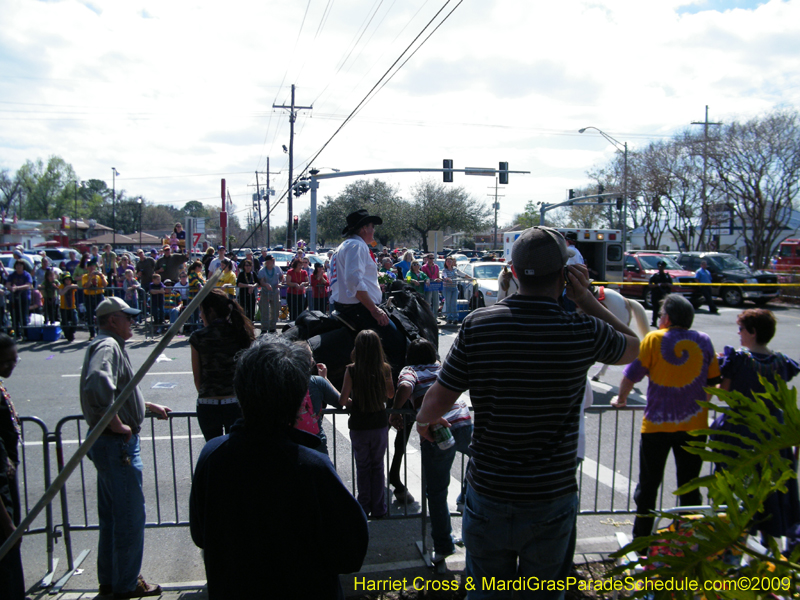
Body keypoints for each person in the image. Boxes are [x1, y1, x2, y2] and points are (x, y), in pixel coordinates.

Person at [416, 226, 639, 598]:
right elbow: (634, 348)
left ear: (513, 272)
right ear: (566, 274)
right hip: (550, 498)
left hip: (489, 493)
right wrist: (585, 299)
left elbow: (438, 400)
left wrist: (425, 420)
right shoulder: (583, 329)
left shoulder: (478, 326)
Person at [190, 336, 368, 599]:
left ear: (239, 392)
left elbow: (200, 535)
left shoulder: (213, 456)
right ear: (298, 400)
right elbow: (351, 552)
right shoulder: (314, 466)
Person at [80, 297, 171, 599]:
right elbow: (97, 383)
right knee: (130, 518)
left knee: (113, 517)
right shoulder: (107, 345)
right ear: (111, 320)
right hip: (116, 445)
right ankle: (127, 583)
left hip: (107, 443)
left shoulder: (109, 344)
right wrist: (118, 424)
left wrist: (145, 406)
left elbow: (118, 391)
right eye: (127, 317)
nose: (132, 322)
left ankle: (111, 580)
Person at [611, 293, 720, 539]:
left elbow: (632, 375)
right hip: (694, 427)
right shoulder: (704, 340)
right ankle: (687, 539)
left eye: (660, 315)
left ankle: (641, 540)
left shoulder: (654, 339)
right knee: (690, 485)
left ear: (667, 318)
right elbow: (714, 380)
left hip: (656, 427)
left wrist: (621, 398)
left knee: (649, 486)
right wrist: (701, 404)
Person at [710, 309, 800, 541]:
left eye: (741, 329)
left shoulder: (739, 359)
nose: (738, 333)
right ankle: (768, 549)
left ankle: (735, 547)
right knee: (769, 488)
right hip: (772, 432)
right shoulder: (781, 362)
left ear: (752, 332)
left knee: (736, 488)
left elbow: (724, 395)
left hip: (739, 430)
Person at [394, 338, 472, 562]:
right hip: (463, 423)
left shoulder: (410, 370)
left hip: (436, 430)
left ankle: (443, 546)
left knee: (437, 493)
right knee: (480, 464)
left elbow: (406, 386)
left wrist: (395, 411)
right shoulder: (441, 366)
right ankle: (466, 498)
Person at [330, 209, 407, 373]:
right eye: (372, 226)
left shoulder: (343, 246)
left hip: (343, 307)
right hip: (359, 310)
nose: (374, 231)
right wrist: (374, 309)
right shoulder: (357, 245)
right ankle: (392, 387)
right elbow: (353, 281)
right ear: (364, 228)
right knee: (398, 343)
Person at [339, 330, 395, 519]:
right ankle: (379, 507)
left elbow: (342, 399)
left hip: (359, 424)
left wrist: (354, 403)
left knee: (362, 467)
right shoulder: (385, 368)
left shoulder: (352, 369)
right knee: (378, 466)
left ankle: (363, 506)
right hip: (379, 423)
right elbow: (390, 395)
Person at [190, 289, 255, 441]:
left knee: (214, 450)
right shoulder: (241, 332)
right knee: (237, 453)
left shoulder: (198, 337)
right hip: (235, 401)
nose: (200, 316)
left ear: (210, 311)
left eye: (201, 311)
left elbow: (197, 378)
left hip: (208, 402)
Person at [0, 334, 24, 599]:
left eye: (14, 359)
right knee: (7, 542)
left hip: (7, 472)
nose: (11, 365)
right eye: (5, 361)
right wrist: (7, 523)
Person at [294, 344, 341, 456]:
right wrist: (325, 379)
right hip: (316, 439)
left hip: (293, 439)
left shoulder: (284, 382)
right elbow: (340, 402)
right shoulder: (317, 382)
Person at [6, 261, 32, 340]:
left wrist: (17, 288)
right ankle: (17, 334)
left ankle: (25, 334)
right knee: (14, 317)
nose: (18, 267)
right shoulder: (12, 275)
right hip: (14, 298)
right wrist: (11, 288)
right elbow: (7, 285)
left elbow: (28, 285)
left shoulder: (27, 275)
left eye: (20, 265)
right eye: (17, 265)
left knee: (24, 317)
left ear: (23, 266)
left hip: (24, 298)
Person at [257, 254, 283, 333]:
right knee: (265, 311)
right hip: (265, 293)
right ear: (267, 262)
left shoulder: (277, 268)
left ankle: (273, 327)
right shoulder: (262, 270)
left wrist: (281, 283)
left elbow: (282, 277)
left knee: (275, 311)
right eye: (271, 260)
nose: (273, 262)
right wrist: (265, 284)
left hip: (275, 292)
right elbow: (261, 281)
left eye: (273, 260)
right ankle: (264, 328)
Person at [441, 257, 471, 325]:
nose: (449, 262)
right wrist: (448, 279)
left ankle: (455, 318)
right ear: (445, 262)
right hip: (447, 288)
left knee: (454, 304)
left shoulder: (455, 269)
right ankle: (449, 318)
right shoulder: (444, 270)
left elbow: (462, 274)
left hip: (454, 288)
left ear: (452, 262)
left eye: (450, 261)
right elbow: (444, 276)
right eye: (447, 261)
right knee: (448, 303)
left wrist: (470, 278)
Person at [648, 260, 672, 327]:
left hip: (664, 295)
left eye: (662, 267)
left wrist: (667, 284)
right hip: (656, 294)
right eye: (660, 267)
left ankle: (665, 323)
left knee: (665, 310)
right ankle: (654, 322)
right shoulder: (655, 276)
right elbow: (650, 285)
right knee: (655, 309)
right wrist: (658, 285)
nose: (661, 268)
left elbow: (671, 285)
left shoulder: (667, 276)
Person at [59, 274, 78, 342]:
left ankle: (72, 333)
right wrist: (67, 288)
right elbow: (61, 293)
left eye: (69, 279)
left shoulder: (72, 286)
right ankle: (68, 335)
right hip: (64, 307)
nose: (68, 281)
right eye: (66, 279)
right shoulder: (62, 286)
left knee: (75, 321)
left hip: (72, 307)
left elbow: (77, 286)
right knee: (65, 322)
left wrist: (70, 286)